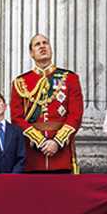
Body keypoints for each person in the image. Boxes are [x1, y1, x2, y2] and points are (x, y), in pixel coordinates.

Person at [10, 34, 84, 173]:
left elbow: (76, 115)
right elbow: (16, 117)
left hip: (61, 155)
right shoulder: (21, 82)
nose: (42, 46)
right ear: (31, 53)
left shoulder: (70, 78)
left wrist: (57, 141)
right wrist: (40, 141)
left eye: (45, 43)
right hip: (32, 156)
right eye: (37, 44)